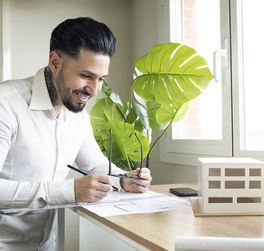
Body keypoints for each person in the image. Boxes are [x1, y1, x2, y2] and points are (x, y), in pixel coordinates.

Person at [0, 17, 152, 250]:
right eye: (86, 76)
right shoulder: (5, 104)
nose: (94, 90)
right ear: (55, 62)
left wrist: (124, 179)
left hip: (46, 245)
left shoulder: (77, 114)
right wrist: (69, 191)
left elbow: (94, 165)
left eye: (101, 79)